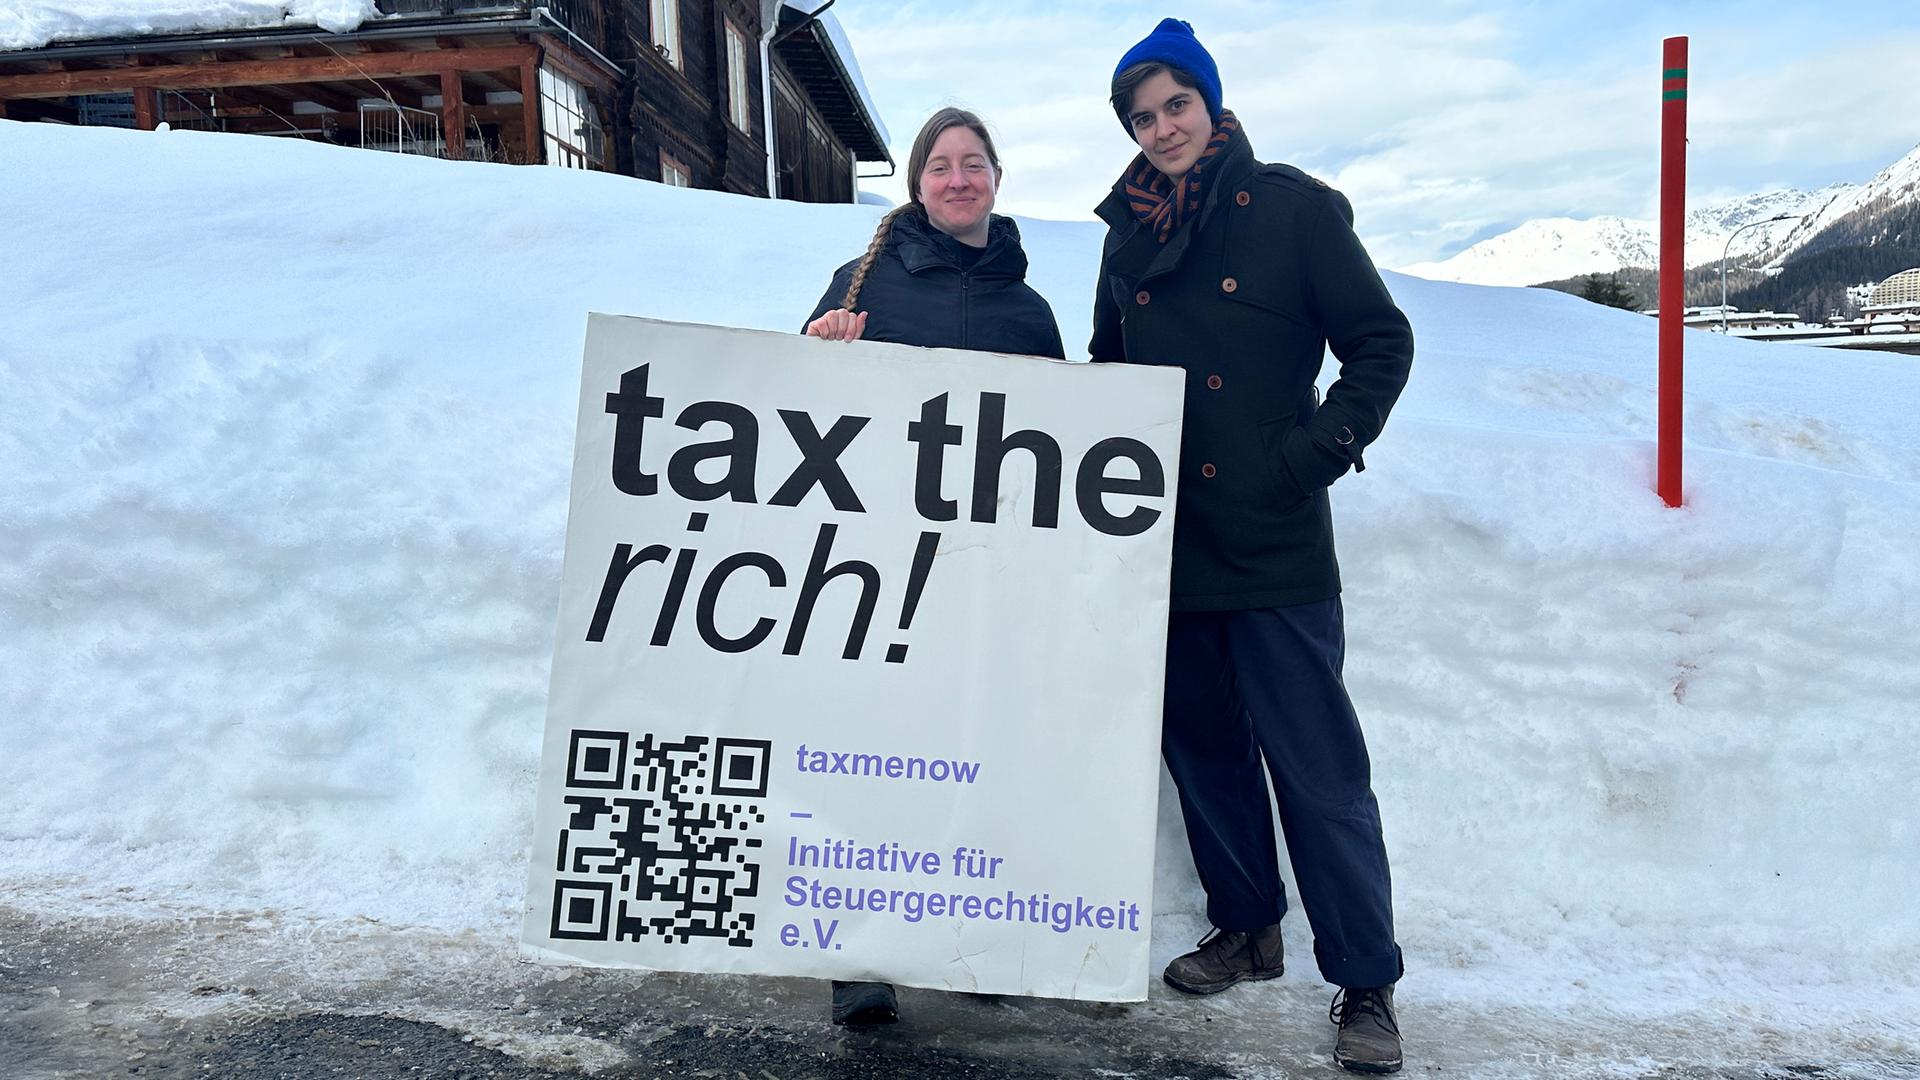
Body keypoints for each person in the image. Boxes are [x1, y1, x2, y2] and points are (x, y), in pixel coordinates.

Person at [1089, 19, 1414, 1075]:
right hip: (1168, 541)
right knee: (1206, 753)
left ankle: (1365, 980)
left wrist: (1312, 452)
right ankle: (1248, 927)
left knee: (1318, 771)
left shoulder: (1293, 210)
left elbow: (1380, 341)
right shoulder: (1124, 236)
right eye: (1142, 118)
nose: (1162, 129)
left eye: (1176, 106)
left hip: (1272, 536)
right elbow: (1109, 368)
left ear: (1211, 105)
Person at [801, 106, 1065, 1026]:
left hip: (986, 577)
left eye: (974, 164)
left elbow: (1061, 454)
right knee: (871, 754)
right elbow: (794, 413)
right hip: (878, 571)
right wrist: (820, 346)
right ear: (917, 184)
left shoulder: (1028, 312)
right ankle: (858, 959)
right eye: (940, 166)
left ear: (997, 177)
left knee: (973, 753)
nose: (958, 179)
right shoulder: (865, 278)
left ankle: (967, 938)